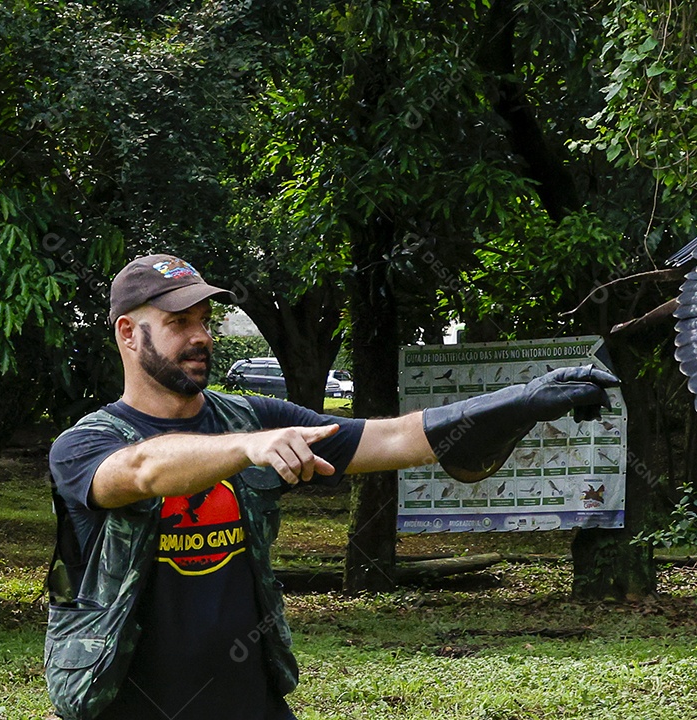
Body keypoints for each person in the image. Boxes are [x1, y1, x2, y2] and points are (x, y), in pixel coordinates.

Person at [45, 254, 619, 720]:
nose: (199, 337)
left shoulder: (252, 415)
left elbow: (390, 440)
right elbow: (141, 471)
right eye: (178, 323)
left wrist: (515, 400)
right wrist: (246, 448)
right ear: (128, 332)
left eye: (204, 321)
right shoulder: (85, 445)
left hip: (251, 699)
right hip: (128, 706)